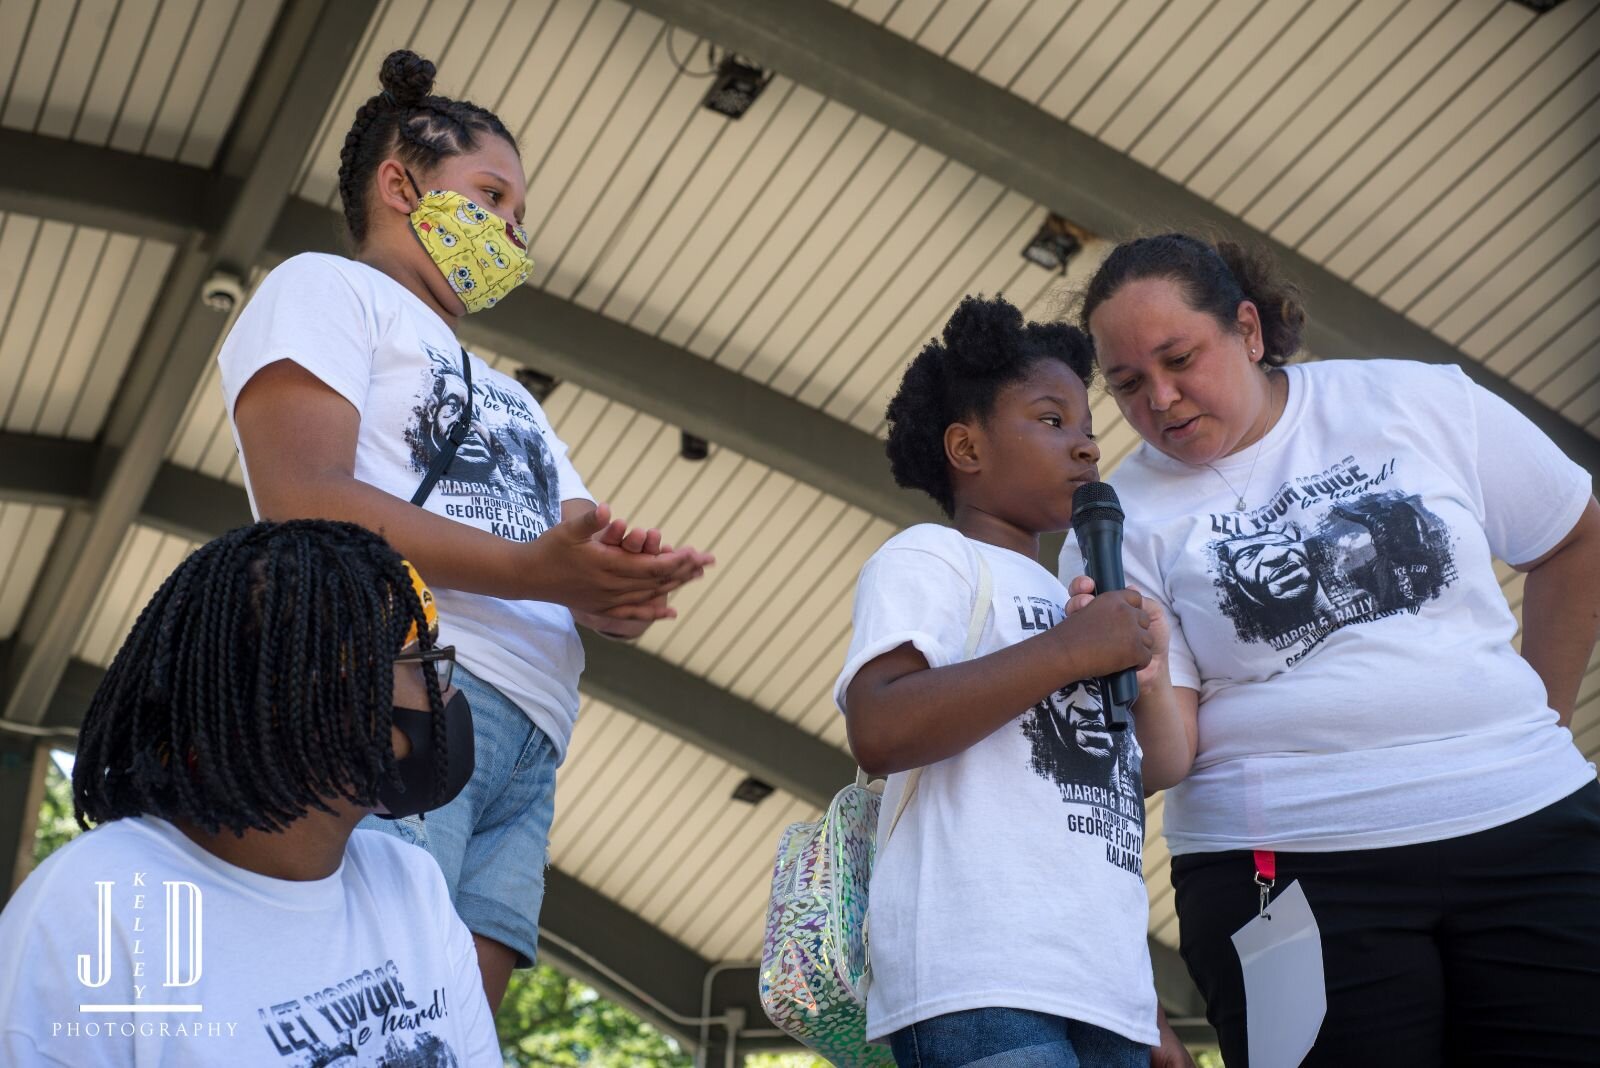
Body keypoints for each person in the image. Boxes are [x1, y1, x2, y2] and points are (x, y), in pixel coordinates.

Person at [215, 49, 714, 1011]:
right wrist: (539, 571)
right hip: (399, 685)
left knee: (452, 1028)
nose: (511, 233)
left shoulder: (514, 396)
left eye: (519, 217)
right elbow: (304, 501)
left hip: (531, 743)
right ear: (401, 185)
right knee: (364, 1003)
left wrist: (615, 588)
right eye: (492, 196)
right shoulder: (325, 289)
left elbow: (568, 550)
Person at [1061, 231, 1600, 1066]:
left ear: (1246, 328)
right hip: (1285, 867)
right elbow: (1166, 759)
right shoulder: (1115, 524)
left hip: (1528, 825)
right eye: (1128, 384)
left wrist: (1542, 719)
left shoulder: (1416, 400)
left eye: (1179, 360)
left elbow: (1573, 534)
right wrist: (1133, 656)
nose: (1160, 400)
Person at [835, 295, 1195, 1068]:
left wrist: (1146, 666)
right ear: (967, 447)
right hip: (979, 982)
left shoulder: (1078, 594)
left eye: (1091, 431)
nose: (1087, 450)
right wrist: (1068, 653)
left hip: (1105, 990)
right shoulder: (934, 558)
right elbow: (880, 728)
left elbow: (1153, 769)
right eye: (1052, 421)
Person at [0, 520, 500, 1066]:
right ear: (317, 693)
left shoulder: (410, 886)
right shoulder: (97, 908)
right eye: (425, 662)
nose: (447, 692)